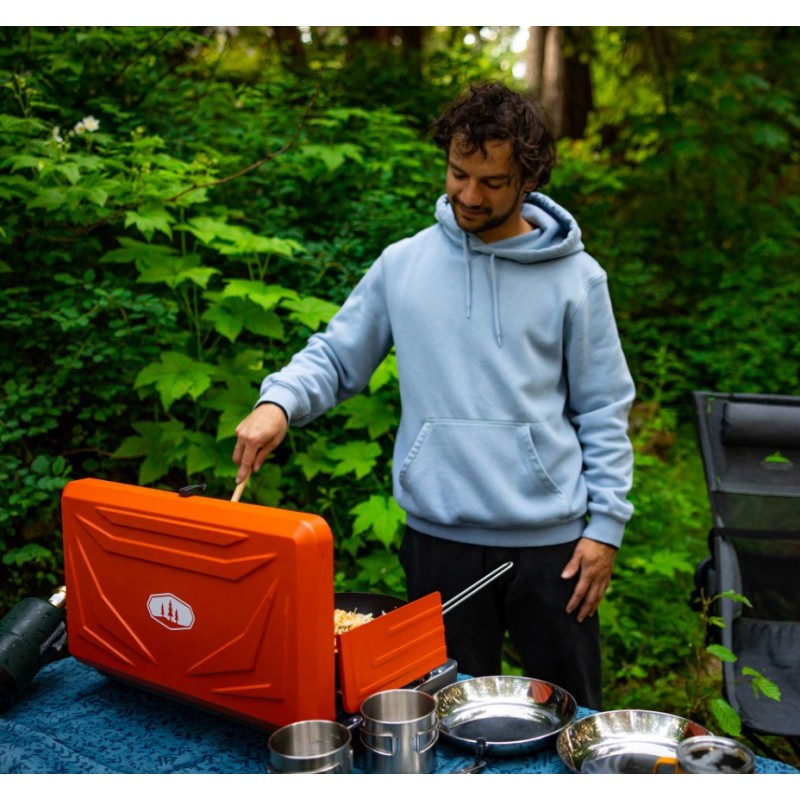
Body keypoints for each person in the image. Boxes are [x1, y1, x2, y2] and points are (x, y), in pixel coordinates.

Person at [232, 82, 635, 710]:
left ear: (527, 178)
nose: (470, 195)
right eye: (458, 173)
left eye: (492, 182)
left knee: (567, 719)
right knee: (447, 718)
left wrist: (605, 527)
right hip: (437, 540)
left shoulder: (578, 280)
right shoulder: (404, 264)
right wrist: (277, 402)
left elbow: (603, 407)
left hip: (552, 550)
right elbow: (338, 355)